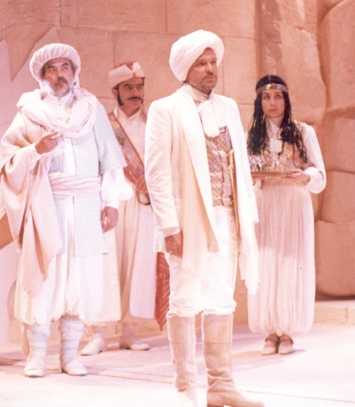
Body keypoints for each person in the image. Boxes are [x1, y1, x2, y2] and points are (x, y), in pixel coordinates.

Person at [0, 43, 132, 378]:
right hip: (47, 205)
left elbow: (109, 159)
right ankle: (37, 356)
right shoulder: (29, 111)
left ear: (74, 72)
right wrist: (36, 150)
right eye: (52, 69)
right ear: (43, 76)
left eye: (65, 68)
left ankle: (70, 355)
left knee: (78, 280)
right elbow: (9, 162)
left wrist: (111, 202)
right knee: (44, 277)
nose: (60, 75)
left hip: (86, 206)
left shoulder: (91, 108)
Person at [144, 30, 264, 407]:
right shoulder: (166, 109)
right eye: (202, 63)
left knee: (221, 298)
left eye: (213, 62)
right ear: (186, 68)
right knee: (184, 297)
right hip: (189, 221)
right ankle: (185, 388)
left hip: (227, 216)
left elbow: (239, 166)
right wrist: (169, 226)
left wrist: (246, 219)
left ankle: (221, 385)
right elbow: (157, 173)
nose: (211, 69)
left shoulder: (227, 107)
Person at [81, 61, 164, 356]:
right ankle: (97, 333)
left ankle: (129, 331)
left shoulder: (154, 125)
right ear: (115, 91)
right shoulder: (101, 124)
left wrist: (151, 184)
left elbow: (164, 164)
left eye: (139, 87)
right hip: (109, 203)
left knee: (137, 267)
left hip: (143, 205)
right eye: (128, 87)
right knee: (105, 267)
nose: (135, 93)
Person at [246, 74, 326, 356]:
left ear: (286, 99)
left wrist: (305, 176)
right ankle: (270, 333)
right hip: (265, 203)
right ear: (259, 102)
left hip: (293, 202)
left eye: (277, 97)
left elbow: (320, 175)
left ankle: (287, 333)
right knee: (267, 264)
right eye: (266, 97)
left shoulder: (303, 132)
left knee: (291, 264)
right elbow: (244, 174)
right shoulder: (252, 136)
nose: (272, 103)